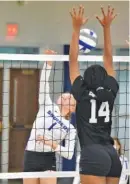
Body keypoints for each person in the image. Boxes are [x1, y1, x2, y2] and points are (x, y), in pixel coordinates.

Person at [69, 5, 122, 184]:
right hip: (112, 154)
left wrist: (76, 29)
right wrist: (107, 28)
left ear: (85, 80)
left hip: (92, 153)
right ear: (105, 80)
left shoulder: (82, 93)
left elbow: (73, 60)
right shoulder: (111, 90)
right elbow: (108, 59)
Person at [23, 49, 76, 184]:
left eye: (69, 97)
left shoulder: (70, 129)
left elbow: (69, 154)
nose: (65, 95)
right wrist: (48, 64)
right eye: (64, 95)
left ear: (72, 107)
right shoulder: (47, 105)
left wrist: (52, 144)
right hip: (31, 154)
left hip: (48, 158)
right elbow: (43, 85)